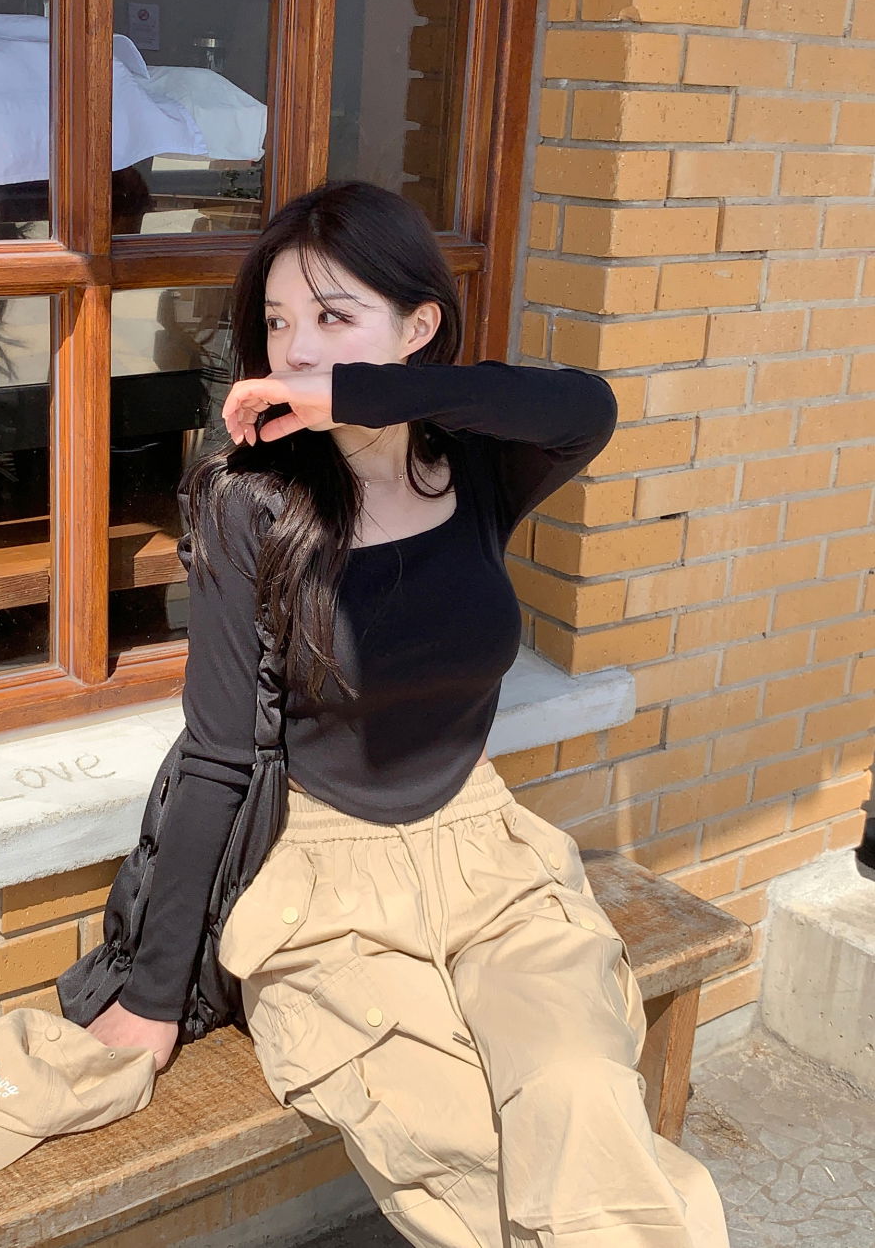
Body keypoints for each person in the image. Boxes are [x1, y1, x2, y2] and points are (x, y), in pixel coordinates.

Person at [85, 180, 730, 1247]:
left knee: (581, 1100)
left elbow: (586, 407)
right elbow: (214, 756)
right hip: (322, 882)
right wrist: (154, 997)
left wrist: (368, 396)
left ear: (417, 328)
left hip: (486, 853)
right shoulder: (249, 498)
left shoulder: (473, 463)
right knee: (464, 1155)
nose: (296, 349)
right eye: (277, 323)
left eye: (333, 317)